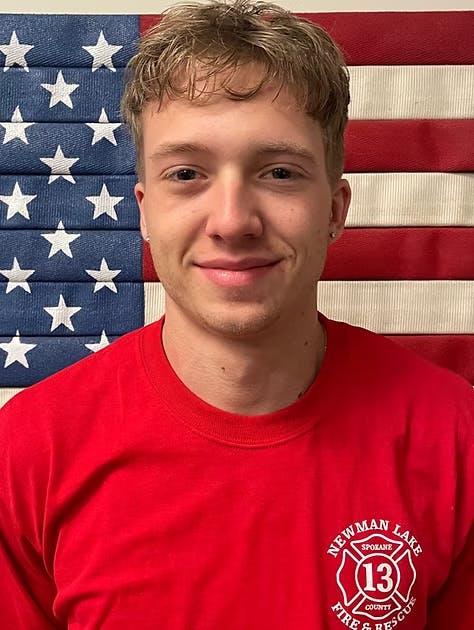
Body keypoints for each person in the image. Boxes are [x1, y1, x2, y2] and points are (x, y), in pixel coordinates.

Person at [0, 1, 472, 628]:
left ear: (334, 209)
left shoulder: (455, 437)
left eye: (278, 172)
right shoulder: (30, 449)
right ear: (143, 210)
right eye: (187, 173)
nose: (231, 221)